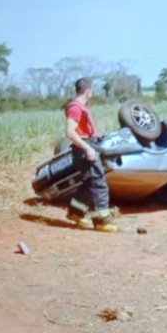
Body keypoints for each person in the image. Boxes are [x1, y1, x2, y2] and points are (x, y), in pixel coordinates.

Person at [63, 77, 117, 232]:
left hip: (88, 146)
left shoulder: (81, 107)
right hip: (84, 149)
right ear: (88, 92)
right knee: (98, 183)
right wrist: (88, 149)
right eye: (92, 91)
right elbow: (70, 132)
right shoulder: (75, 108)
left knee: (88, 185)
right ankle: (101, 221)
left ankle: (75, 213)